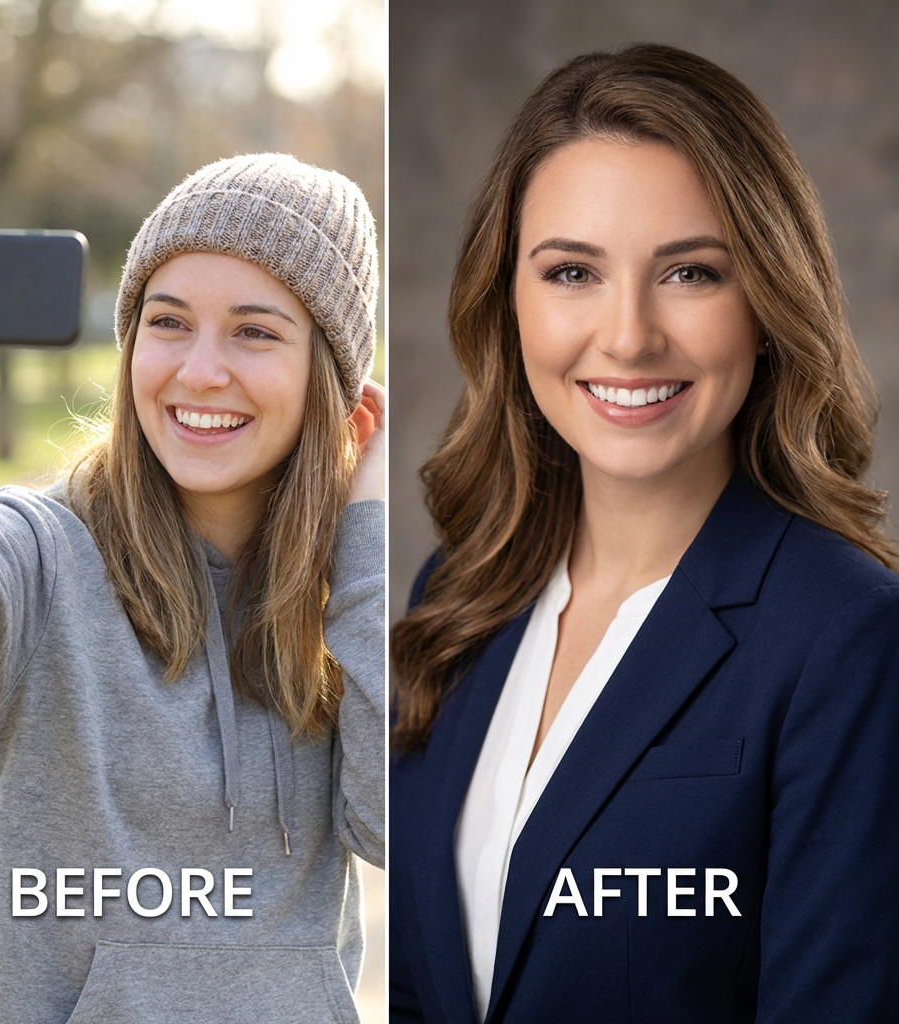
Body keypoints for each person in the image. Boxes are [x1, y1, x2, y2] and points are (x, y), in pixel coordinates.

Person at [390, 44, 899, 1024]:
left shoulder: (850, 639)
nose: (627, 336)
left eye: (690, 273)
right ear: (508, 302)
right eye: (572, 271)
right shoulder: (455, 596)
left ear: (766, 303)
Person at [0, 153, 384, 1024]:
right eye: (168, 321)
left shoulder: (352, 600)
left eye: (255, 332)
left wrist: (368, 536)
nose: (199, 371)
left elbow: (398, 824)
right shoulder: (34, 553)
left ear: (343, 400)